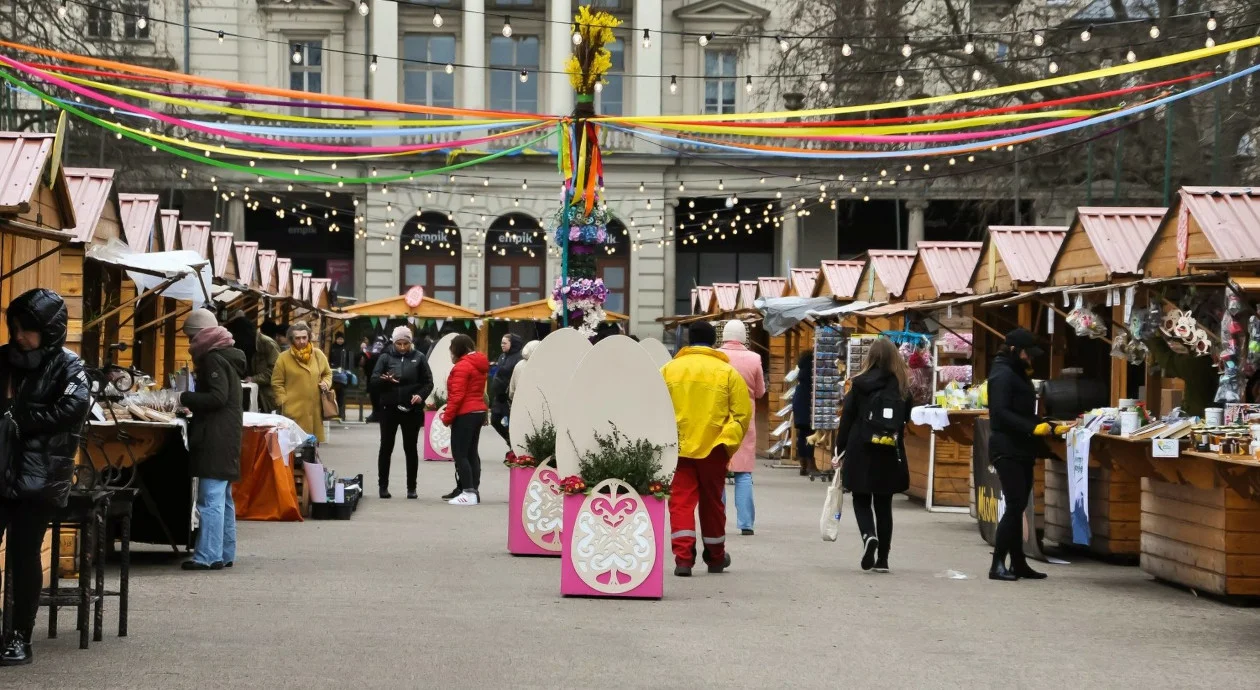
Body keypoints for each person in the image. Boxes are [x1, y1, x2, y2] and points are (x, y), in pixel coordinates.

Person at [0, 289, 90, 665]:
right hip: (2, 470)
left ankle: (19, 636)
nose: (20, 335)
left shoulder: (69, 366)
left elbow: (75, 405)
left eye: (29, 329)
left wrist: (22, 421)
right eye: (16, 327)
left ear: (49, 329)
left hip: (36, 480)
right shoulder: (4, 360)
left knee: (23, 558)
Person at [661, 321, 752, 577]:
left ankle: (683, 559)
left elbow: (656, 407)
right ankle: (715, 557)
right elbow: (742, 414)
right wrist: (727, 442)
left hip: (678, 448)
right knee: (713, 503)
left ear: (688, 341)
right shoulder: (727, 372)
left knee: (680, 502)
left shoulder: (669, 370)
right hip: (714, 448)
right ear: (714, 341)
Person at [986, 328, 1059, 582]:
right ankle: (997, 563)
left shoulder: (1016, 372)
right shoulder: (1002, 374)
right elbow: (1000, 413)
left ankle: (1018, 562)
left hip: (1021, 447)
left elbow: (1022, 410)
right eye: (1028, 354)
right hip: (1006, 448)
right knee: (1015, 504)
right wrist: (1031, 427)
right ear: (1016, 351)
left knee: (1018, 506)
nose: (1031, 359)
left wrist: (1047, 425)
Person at [835, 338, 912, 573]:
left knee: (860, 498)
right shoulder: (901, 386)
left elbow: (847, 418)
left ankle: (869, 535)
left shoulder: (858, 384)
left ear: (870, 357)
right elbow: (905, 418)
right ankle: (883, 560)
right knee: (883, 503)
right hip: (888, 449)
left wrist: (840, 450)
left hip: (861, 447)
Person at [178, 309, 245, 571]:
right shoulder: (227, 357)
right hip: (227, 434)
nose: (190, 344)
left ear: (201, 335)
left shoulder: (214, 360)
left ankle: (208, 556)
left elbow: (217, 397)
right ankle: (225, 552)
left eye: (191, 338)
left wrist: (184, 398)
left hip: (216, 436)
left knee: (210, 499)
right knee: (223, 498)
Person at [371, 326, 434, 499]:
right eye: (399, 343)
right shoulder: (385, 357)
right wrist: (386, 381)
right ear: (393, 342)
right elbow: (374, 380)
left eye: (406, 343)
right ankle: (383, 486)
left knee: (410, 448)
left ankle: (411, 488)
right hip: (388, 408)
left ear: (410, 342)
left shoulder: (419, 358)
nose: (402, 347)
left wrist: (420, 396)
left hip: (411, 409)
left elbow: (428, 382)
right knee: (386, 447)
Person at [717, 321, 765, 536]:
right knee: (743, 474)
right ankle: (746, 524)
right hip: (744, 419)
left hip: (718, 418)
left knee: (718, 472)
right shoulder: (755, 358)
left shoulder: (716, 357)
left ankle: (718, 521)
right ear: (744, 336)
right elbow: (760, 392)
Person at [442, 335, 489, 506]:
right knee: (471, 453)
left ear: (457, 349)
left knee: (460, 453)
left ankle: (468, 492)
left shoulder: (462, 366)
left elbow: (457, 395)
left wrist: (447, 417)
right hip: (477, 411)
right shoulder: (479, 363)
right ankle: (473, 490)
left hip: (465, 413)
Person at [271, 321, 333, 443]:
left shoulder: (318, 355)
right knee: (294, 450)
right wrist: (284, 402)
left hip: (315, 411)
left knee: (311, 450)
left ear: (309, 337)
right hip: (293, 411)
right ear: (291, 339)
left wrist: (326, 383)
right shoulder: (283, 358)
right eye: (297, 338)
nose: (302, 341)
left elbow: (328, 373)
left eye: (304, 337)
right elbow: (277, 382)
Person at [225, 311, 281, 413]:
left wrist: (253, 379)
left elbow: (276, 370)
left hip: (267, 397)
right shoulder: (246, 344)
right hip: (252, 395)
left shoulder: (267, 344)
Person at [488, 334, 524, 454]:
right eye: (501, 343)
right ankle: (509, 440)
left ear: (512, 343)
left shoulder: (518, 358)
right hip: (499, 396)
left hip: (510, 396)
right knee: (494, 420)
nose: (502, 345)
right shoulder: (502, 356)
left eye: (505, 343)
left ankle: (515, 447)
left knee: (513, 423)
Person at [794, 349, 816, 476]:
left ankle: (803, 464)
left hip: (799, 400)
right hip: (808, 401)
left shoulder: (801, 368)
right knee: (810, 433)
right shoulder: (811, 369)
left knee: (802, 434)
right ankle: (810, 463)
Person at [363, 334, 389, 423]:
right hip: (373, 376)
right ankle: (376, 414)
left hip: (382, 376)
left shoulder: (387, 351)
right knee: (374, 396)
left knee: (380, 397)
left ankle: (380, 414)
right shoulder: (369, 350)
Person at [328, 331, 353, 420]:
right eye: (338, 339)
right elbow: (330, 358)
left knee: (342, 394)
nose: (340, 341)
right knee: (333, 394)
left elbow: (349, 360)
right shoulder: (332, 347)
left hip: (343, 374)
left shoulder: (346, 348)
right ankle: (333, 413)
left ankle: (341, 414)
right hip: (334, 373)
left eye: (341, 339)